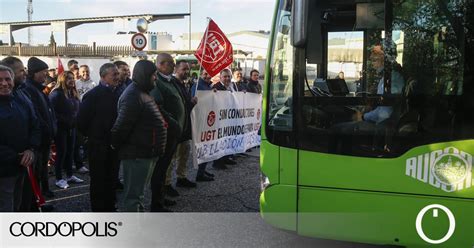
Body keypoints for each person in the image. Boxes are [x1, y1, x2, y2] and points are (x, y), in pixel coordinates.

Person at [111, 60, 167, 212]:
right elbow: (120, 128)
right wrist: (116, 146)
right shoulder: (132, 96)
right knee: (133, 198)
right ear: (144, 75)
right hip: (137, 156)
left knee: (139, 195)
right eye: (153, 75)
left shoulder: (141, 92)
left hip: (145, 153)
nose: (155, 78)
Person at [331, 43, 405, 153]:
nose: (372, 62)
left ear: (384, 58)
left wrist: (364, 117)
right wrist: (369, 109)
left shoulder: (392, 78)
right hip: (383, 123)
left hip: (383, 126)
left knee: (336, 129)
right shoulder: (388, 77)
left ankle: (341, 160)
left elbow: (384, 114)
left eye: (374, 59)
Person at [77, 63, 120, 212]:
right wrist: (93, 137)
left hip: (113, 145)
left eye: (117, 74)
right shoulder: (93, 95)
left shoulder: (118, 92)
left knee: (111, 178)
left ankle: (110, 207)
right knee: (98, 180)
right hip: (98, 146)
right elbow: (81, 121)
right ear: (103, 76)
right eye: (113, 74)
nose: (117, 77)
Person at [1, 57, 40, 211]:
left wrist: (31, 149)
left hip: (20, 169)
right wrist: (16, 156)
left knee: (16, 208)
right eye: (0, 80)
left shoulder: (19, 101)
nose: (4, 83)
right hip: (4, 172)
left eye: (7, 79)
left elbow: (35, 125)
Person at [149, 53, 185, 212]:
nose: (173, 66)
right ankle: (156, 203)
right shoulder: (157, 81)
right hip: (166, 132)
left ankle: (161, 198)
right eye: (171, 64)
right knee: (160, 169)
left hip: (173, 131)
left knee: (164, 168)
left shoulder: (168, 80)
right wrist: (174, 123)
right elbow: (158, 106)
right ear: (162, 64)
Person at [23, 57, 57, 206]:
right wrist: (47, 132)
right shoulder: (29, 90)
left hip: (44, 140)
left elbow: (48, 113)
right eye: (43, 72)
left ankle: (40, 200)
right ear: (34, 73)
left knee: (42, 170)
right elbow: (36, 117)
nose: (45, 75)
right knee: (35, 174)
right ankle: (35, 204)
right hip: (39, 141)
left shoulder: (39, 90)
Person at [164, 60, 197, 198]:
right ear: (176, 69)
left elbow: (185, 106)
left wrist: (191, 103)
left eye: (188, 69)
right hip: (176, 127)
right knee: (171, 158)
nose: (186, 72)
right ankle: (166, 184)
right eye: (184, 69)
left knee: (184, 154)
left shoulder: (184, 85)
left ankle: (181, 177)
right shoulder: (171, 84)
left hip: (185, 127)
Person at [49, 71, 84, 189]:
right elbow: (51, 112)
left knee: (70, 151)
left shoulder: (72, 93)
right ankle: (59, 178)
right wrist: (64, 120)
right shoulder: (56, 94)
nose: (72, 80)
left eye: (72, 78)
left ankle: (70, 175)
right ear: (62, 80)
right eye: (68, 78)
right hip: (61, 129)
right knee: (61, 153)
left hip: (72, 128)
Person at [190, 70, 216, 180]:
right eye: (205, 74)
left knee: (207, 146)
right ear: (201, 74)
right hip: (201, 121)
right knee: (202, 147)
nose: (207, 76)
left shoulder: (207, 85)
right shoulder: (197, 86)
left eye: (208, 74)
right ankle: (200, 174)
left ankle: (203, 170)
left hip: (207, 120)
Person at [212, 69, 238, 169]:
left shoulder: (233, 86)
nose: (227, 78)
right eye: (225, 76)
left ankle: (226, 157)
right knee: (220, 140)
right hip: (220, 119)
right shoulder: (216, 87)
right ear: (220, 77)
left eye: (229, 76)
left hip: (230, 117)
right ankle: (217, 162)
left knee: (228, 139)